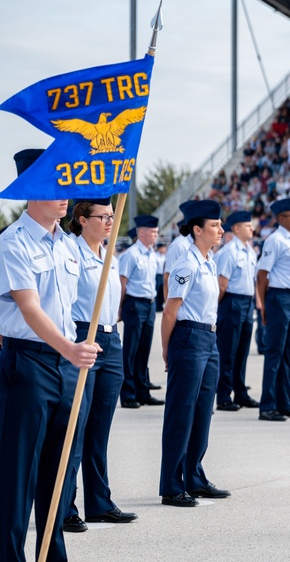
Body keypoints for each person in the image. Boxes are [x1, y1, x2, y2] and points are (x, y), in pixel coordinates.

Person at [0, 149, 99, 562]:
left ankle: (51, 554)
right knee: (19, 473)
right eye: (56, 187)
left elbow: (75, 305)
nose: (66, 196)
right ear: (30, 192)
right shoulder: (13, 242)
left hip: (68, 364)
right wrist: (69, 349)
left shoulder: (68, 247)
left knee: (59, 471)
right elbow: (28, 307)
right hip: (30, 363)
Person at [61, 199, 136, 534]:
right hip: (81, 336)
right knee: (74, 429)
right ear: (81, 220)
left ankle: (99, 502)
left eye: (111, 216)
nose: (110, 221)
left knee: (99, 430)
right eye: (103, 216)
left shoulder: (109, 255)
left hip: (111, 339)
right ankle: (64, 507)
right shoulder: (68, 251)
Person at [159, 199, 230, 507]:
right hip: (187, 337)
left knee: (202, 412)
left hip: (208, 339)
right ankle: (172, 485)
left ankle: (195, 477)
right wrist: (167, 351)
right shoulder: (186, 263)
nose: (220, 229)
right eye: (214, 225)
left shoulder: (208, 260)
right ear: (197, 230)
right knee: (181, 413)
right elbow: (170, 311)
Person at [255, 198, 290, 422]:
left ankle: (284, 402)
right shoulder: (275, 241)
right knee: (275, 354)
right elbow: (261, 275)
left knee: (289, 354)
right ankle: (267, 406)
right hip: (279, 298)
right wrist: (263, 305)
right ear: (281, 219)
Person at [214, 211, 259, 412]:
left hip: (246, 303)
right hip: (231, 303)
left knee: (242, 351)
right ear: (237, 228)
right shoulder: (229, 252)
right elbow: (221, 285)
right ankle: (223, 396)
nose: (252, 229)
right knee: (227, 352)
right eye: (248, 226)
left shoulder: (250, 251)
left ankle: (240, 392)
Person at [117, 213, 164, 408]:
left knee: (144, 350)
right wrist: (119, 309)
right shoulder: (131, 255)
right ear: (141, 232)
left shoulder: (152, 254)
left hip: (150, 304)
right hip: (135, 304)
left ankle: (142, 391)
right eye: (152, 232)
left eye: (156, 232)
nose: (156, 235)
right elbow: (122, 283)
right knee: (131, 350)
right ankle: (128, 394)